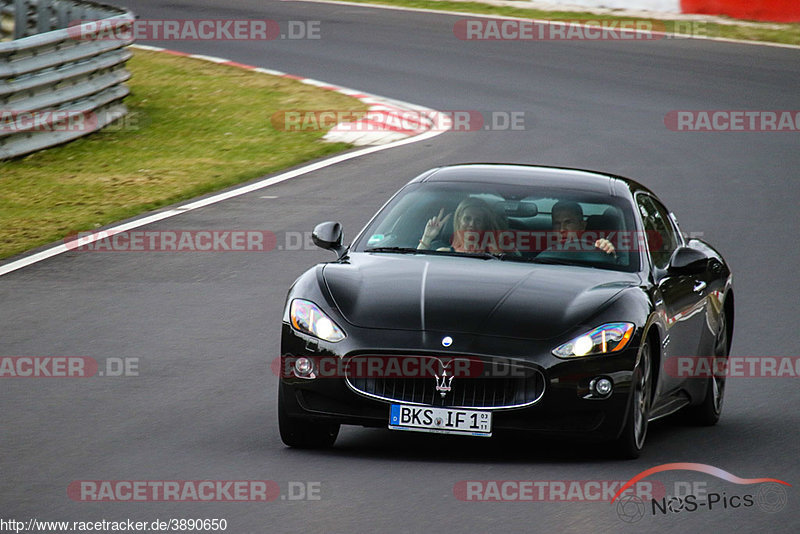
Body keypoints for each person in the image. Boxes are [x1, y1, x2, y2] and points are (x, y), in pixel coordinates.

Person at [417, 197, 508, 253]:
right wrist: (427, 238)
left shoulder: (492, 254)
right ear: (459, 219)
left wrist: (496, 254)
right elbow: (417, 268)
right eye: (467, 219)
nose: (472, 224)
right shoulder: (444, 253)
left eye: (478, 220)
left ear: (484, 225)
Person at [551, 200, 616, 255]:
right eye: (557, 224)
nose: (561, 229)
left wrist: (608, 251)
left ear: (582, 226)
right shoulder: (545, 255)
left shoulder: (597, 248)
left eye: (568, 223)